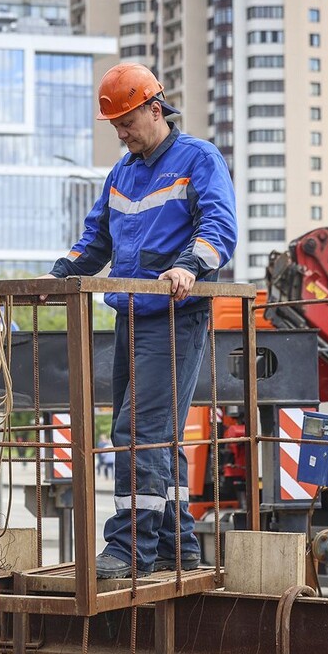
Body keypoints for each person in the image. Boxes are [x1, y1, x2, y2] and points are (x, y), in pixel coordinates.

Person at [47, 63, 237, 579]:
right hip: (131, 315)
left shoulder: (198, 159)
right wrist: (61, 272)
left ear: (156, 109)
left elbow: (219, 226)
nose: (122, 133)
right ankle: (178, 546)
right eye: (115, 126)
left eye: (127, 122)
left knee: (137, 431)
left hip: (175, 317)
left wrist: (189, 265)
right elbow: (96, 240)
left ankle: (130, 547)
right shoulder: (122, 173)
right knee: (159, 437)